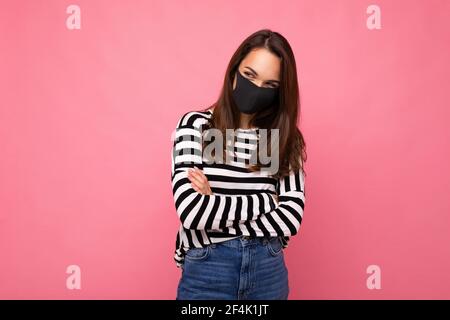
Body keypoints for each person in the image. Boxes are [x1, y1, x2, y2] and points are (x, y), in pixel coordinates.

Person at [171, 29, 307, 300]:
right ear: (234, 71)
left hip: (267, 268)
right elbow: (191, 212)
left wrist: (215, 204)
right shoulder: (198, 126)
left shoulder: (280, 137)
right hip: (209, 268)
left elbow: (291, 218)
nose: (256, 88)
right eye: (250, 75)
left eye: (270, 85)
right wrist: (268, 200)